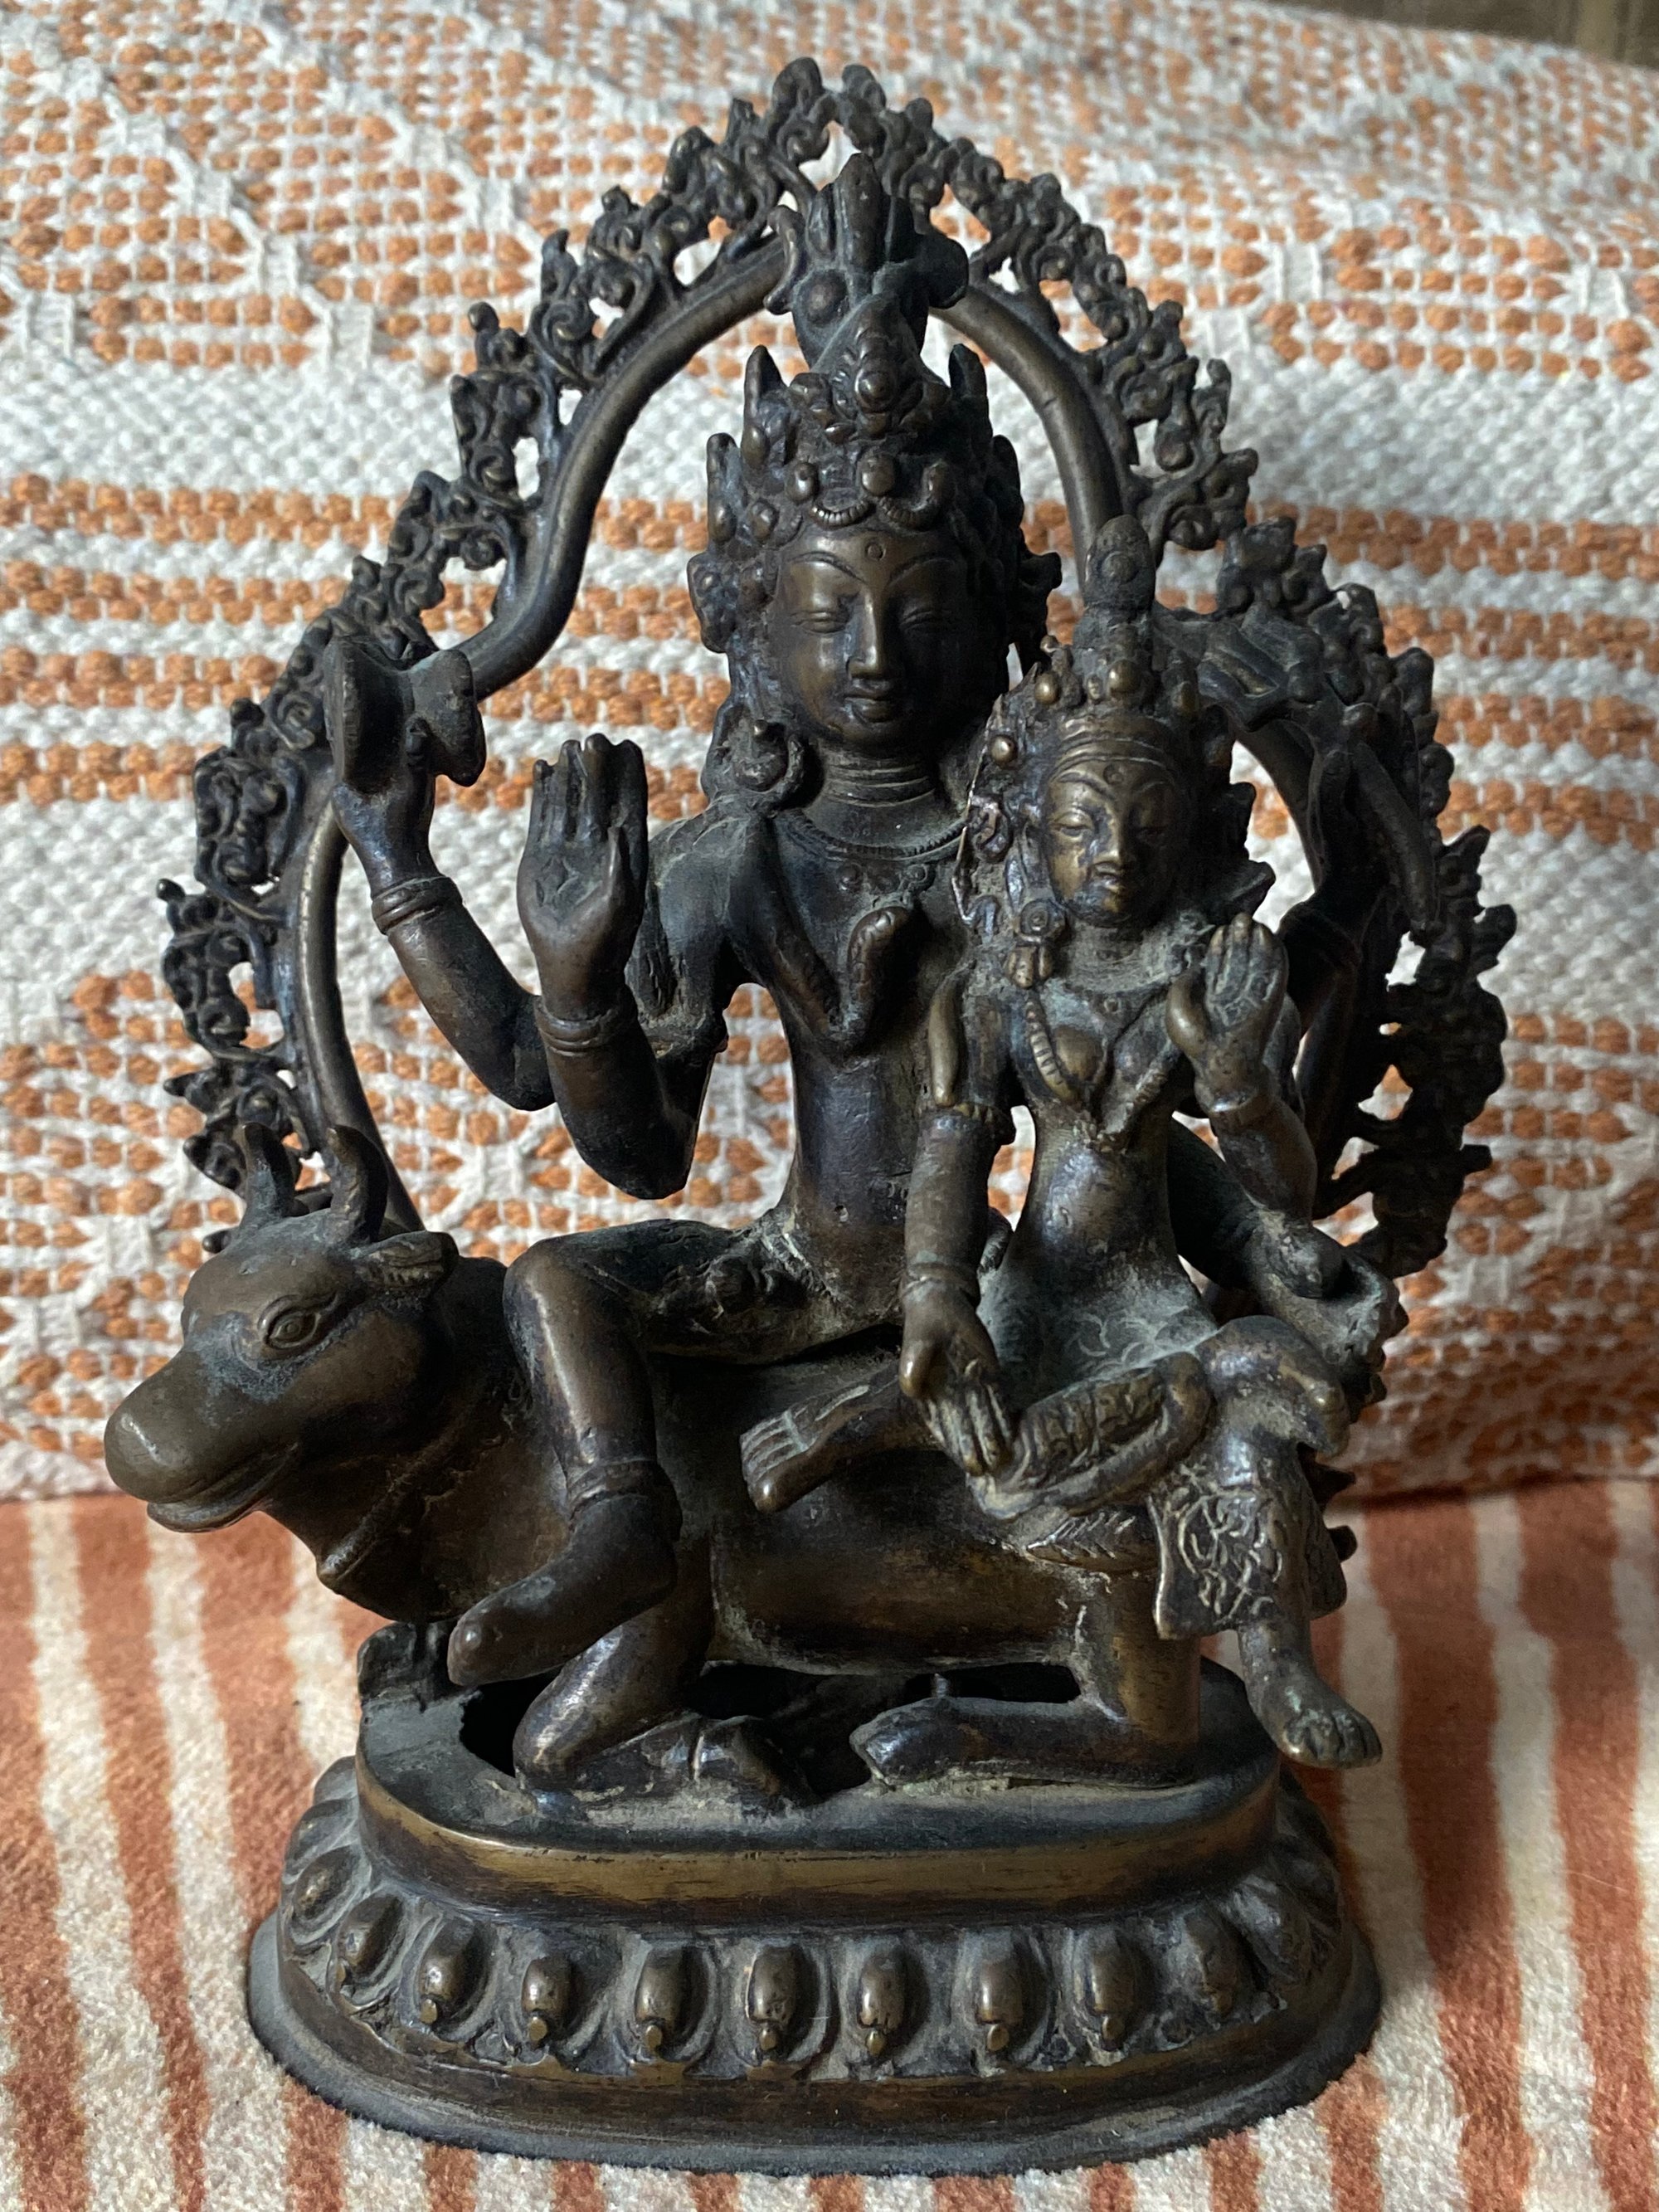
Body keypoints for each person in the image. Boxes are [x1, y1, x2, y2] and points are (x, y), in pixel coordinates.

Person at [329, 154, 1059, 1687]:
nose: (875, 656)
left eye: (922, 612)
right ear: (752, 624)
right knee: (557, 1281)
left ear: (993, 618)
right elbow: (625, 1139)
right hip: (796, 1266)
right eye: (829, 612)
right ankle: (621, 1522)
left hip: (982, 1275)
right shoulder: (738, 861)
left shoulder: (1027, 846)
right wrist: (527, 943)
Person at [895, 523, 1392, 1768]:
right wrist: (936, 1292)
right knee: (1015, 1451)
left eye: (1146, 822)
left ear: (1196, 835)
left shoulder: (1215, 979)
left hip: (1154, 1299)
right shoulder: (999, 991)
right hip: (1043, 1294)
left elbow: (1282, 1187)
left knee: (1248, 1424)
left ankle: (1277, 1661)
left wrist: (1237, 1085)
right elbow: (952, 1154)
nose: (1114, 854)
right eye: (1081, 822)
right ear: (1028, 829)